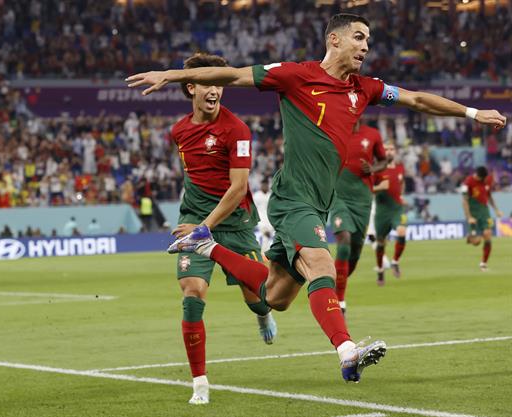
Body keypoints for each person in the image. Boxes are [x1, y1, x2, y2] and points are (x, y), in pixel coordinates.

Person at [127, 13, 506, 383]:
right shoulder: (297, 76)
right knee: (322, 266)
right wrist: (171, 75)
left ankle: (208, 248)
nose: (366, 47)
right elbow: (232, 75)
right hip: (293, 198)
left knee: (276, 296)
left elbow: (417, 100)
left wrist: (472, 113)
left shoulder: (364, 88)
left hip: (319, 203)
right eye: (359, 37)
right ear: (334, 40)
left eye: (368, 40)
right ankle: (346, 351)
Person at [166, 53, 277, 405]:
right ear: (191, 88)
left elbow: (236, 189)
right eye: (208, 83)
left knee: (261, 298)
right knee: (192, 294)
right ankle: (200, 381)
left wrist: (204, 227)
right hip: (194, 221)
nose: (215, 90)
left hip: (235, 224)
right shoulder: (179, 132)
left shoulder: (237, 130)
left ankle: (263, 316)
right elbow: (193, 176)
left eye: (220, 83)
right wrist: (195, 223)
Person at [330, 122, 387, 313]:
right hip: (338, 197)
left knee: (354, 253)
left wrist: (372, 168)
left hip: (362, 199)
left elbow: (384, 161)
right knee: (343, 239)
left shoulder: (372, 134)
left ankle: (338, 282)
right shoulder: (335, 129)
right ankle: (339, 300)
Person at [373, 143, 407, 285]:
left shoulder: (400, 167)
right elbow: (369, 188)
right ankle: (381, 270)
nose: (389, 151)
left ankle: (395, 261)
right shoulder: (376, 169)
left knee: (402, 232)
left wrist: (401, 195)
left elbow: (402, 182)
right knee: (381, 243)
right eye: (386, 149)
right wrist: (380, 187)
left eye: (391, 149)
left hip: (397, 209)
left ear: (395, 152)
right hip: (382, 211)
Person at [461, 166, 503, 271]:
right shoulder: (467, 183)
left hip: (484, 211)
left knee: (488, 234)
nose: (485, 181)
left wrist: (496, 210)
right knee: (477, 242)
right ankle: (470, 237)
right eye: (482, 179)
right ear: (478, 176)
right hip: (473, 212)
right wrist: (469, 217)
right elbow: (464, 201)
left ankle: (483, 264)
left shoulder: (487, 180)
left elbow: (489, 196)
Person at [253, 179, 274, 254]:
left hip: (269, 219)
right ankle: (262, 254)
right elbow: (253, 209)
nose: (265, 186)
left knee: (269, 239)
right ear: (261, 185)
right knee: (264, 236)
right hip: (261, 219)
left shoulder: (271, 195)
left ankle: (267, 255)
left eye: (266, 184)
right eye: (263, 184)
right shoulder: (257, 195)